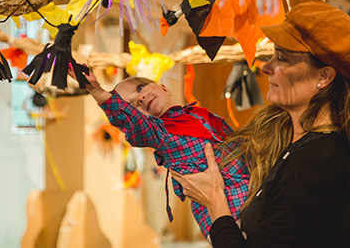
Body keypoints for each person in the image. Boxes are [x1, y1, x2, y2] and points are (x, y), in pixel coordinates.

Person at [171, 1, 350, 247]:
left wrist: (214, 200)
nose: (267, 67)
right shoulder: (300, 145)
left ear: (324, 77)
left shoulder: (318, 161)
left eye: (282, 58)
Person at [78, 72, 250, 239]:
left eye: (140, 88)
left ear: (164, 88)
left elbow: (236, 144)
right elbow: (126, 118)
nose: (140, 98)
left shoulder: (200, 114)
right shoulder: (160, 134)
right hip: (228, 214)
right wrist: (97, 91)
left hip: (250, 190)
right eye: (132, 105)